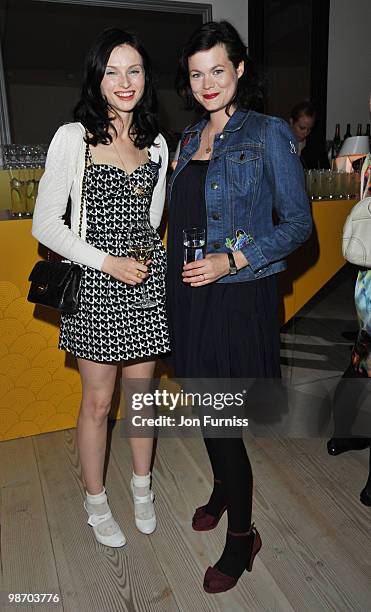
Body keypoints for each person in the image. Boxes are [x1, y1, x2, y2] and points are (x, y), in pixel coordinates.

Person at [167, 21, 312, 593]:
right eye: (197, 74)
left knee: (223, 416)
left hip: (235, 294)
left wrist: (234, 259)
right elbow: (185, 218)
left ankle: (242, 536)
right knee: (204, 403)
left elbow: (299, 225)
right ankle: (225, 490)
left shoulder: (269, 133)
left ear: (240, 70)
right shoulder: (185, 139)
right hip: (188, 294)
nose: (207, 84)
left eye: (218, 71)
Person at [32, 29, 170, 547]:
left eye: (133, 70)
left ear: (145, 77)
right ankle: (96, 502)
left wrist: (143, 264)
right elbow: (45, 225)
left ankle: (142, 489)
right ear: (97, 78)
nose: (124, 81)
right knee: (98, 401)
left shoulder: (156, 141)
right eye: (112, 71)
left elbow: (152, 221)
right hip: (95, 284)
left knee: (141, 398)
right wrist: (107, 262)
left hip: (144, 285)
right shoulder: (74, 137)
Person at [327, 154, 371, 505]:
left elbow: (341, 165)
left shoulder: (366, 161)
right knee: (361, 361)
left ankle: (344, 434)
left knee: (360, 360)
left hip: (367, 286)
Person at [289, 100, 330, 169]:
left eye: (309, 129)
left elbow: (326, 169)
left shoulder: (315, 143)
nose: (305, 133)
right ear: (291, 121)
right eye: (302, 128)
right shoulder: (281, 143)